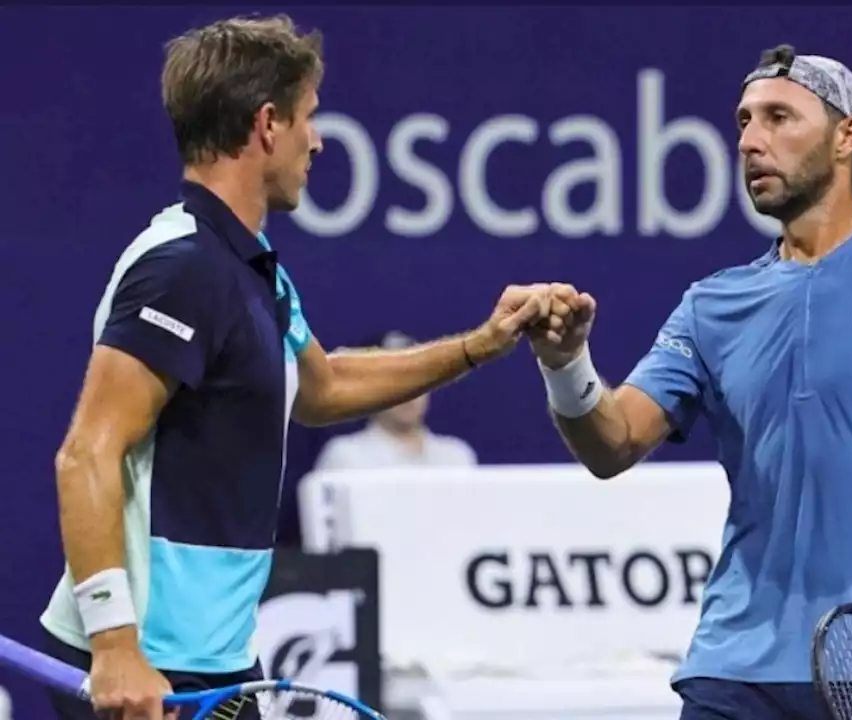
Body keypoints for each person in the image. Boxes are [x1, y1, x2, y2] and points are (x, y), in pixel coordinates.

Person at [39, 15, 566, 720]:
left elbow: (324, 387)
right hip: (146, 669)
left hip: (217, 662)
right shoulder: (180, 266)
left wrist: (480, 344)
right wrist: (113, 646)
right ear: (267, 124)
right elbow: (86, 454)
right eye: (309, 118)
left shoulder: (251, 268)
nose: (316, 140)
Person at [525, 45, 852, 720]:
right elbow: (612, 444)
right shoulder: (712, 305)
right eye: (742, 122)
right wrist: (567, 366)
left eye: (777, 118)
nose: (749, 141)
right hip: (734, 668)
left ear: (848, 135)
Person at [313, 331, 480, 471]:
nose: (408, 393)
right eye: (394, 380)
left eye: (416, 378)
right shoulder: (345, 457)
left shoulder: (457, 457)